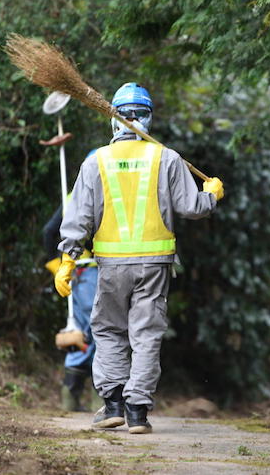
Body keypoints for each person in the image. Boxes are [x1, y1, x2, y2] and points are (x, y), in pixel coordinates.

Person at [55, 82, 224, 434]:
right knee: (146, 335)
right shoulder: (167, 158)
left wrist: (68, 260)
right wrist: (211, 194)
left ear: (114, 119)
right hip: (154, 265)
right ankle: (136, 413)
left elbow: (78, 217)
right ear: (147, 117)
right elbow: (192, 207)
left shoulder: (96, 161)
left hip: (111, 266)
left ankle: (113, 403)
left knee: (108, 331)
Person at [43, 197, 98, 412]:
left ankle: (70, 399)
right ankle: (100, 401)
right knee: (99, 333)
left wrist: (56, 268)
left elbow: (48, 232)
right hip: (90, 270)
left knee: (82, 333)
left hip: (73, 274)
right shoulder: (99, 194)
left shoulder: (71, 196)